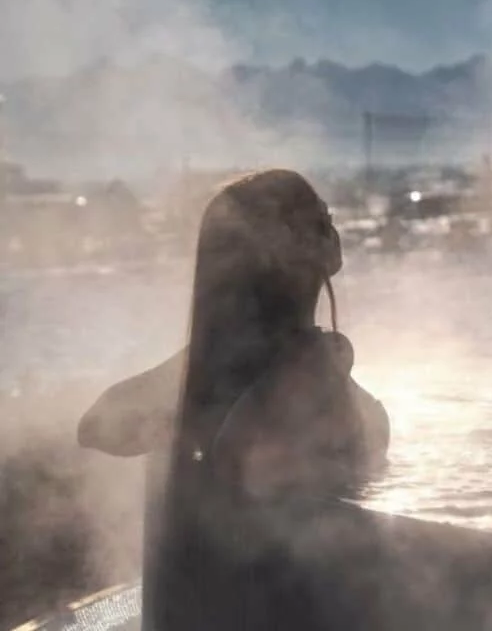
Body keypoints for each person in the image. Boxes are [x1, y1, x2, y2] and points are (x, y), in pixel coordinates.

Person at [77, 169, 390, 631]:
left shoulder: (214, 362)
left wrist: (180, 417)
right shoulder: (282, 368)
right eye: (321, 221)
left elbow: (97, 425)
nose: (335, 231)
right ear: (282, 250)